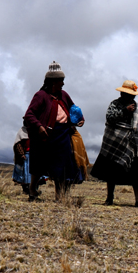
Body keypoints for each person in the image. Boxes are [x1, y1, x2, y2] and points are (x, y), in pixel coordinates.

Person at [23, 61, 88, 201]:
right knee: (39, 164)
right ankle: (32, 189)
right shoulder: (40, 96)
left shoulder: (64, 95)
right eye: (61, 81)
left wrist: (80, 119)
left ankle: (60, 196)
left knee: (63, 165)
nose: (63, 84)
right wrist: (39, 127)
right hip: (46, 135)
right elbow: (29, 114)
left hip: (63, 133)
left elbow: (74, 109)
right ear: (53, 82)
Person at [91, 80, 138, 207]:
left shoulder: (137, 107)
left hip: (132, 145)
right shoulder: (115, 104)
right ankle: (109, 198)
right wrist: (124, 110)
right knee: (111, 171)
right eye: (125, 94)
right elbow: (110, 118)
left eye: (130, 95)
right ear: (122, 93)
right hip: (115, 143)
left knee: (135, 172)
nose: (128, 96)